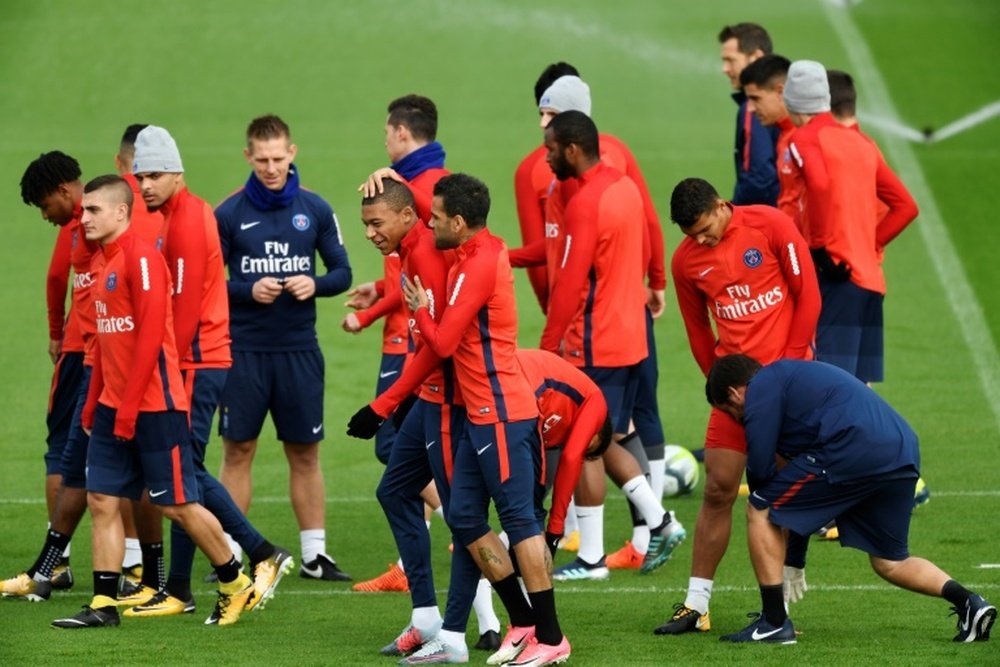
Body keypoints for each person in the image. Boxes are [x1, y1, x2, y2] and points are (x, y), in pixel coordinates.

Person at [350, 174, 570, 666]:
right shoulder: (451, 248)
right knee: (463, 516)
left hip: (486, 409)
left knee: (514, 521)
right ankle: (515, 623)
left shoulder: (460, 257)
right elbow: (437, 215)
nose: (368, 233)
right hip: (471, 408)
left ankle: (489, 633)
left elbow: (442, 344)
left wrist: (388, 399)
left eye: (374, 222)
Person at [50, 175, 254, 629]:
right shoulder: (104, 265)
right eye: (82, 211)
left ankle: (234, 581)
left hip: (155, 407)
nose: (83, 219)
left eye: (93, 211)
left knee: (176, 504)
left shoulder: (142, 260)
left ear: (121, 213)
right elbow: (103, 344)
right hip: (110, 406)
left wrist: (126, 408)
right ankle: (103, 605)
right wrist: (94, 406)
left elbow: (147, 341)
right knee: (103, 498)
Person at [704, 354, 996, 644]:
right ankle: (970, 603)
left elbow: (761, 473)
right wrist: (794, 557)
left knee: (759, 507)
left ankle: (773, 622)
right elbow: (797, 497)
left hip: (853, 447)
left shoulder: (761, 386)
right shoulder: (793, 384)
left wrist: (786, 550)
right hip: (901, 450)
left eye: (730, 411)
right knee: (890, 562)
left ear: (734, 391)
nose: (737, 419)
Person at [125, 125, 294, 617]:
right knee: (183, 475)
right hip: (195, 360)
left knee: (186, 473)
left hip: (195, 361)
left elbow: (183, 310)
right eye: (140, 178)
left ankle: (262, 553)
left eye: (155, 175)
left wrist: (166, 372)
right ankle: (179, 587)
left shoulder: (187, 222)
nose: (146, 186)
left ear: (177, 173)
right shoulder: (182, 214)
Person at [511, 74, 673, 573]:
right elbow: (563, 250)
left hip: (594, 337)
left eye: (552, 146)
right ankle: (656, 521)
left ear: (574, 149)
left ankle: (595, 554)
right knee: (611, 435)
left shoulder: (584, 202)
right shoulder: (616, 184)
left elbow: (570, 279)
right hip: (627, 332)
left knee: (583, 445)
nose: (545, 155)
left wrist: (545, 345)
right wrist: (502, 254)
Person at [655, 177, 820, 635]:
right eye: (692, 235)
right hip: (735, 397)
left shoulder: (770, 226)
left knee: (780, 492)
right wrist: (720, 387)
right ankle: (696, 605)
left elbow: (808, 294)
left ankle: (779, 608)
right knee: (717, 490)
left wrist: (789, 369)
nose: (701, 240)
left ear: (721, 205)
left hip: (787, 389)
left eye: (706, 229)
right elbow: (697, 331)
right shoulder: (686, 262)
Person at [215, 115, 353, 582]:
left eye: (279, 158)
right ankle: (230, 555)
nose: (271, 168)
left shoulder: (315, 209)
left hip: (299, 352)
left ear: (292, 152)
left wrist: (312, 284)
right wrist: (247, 290)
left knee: (305, 452)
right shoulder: (228, 214)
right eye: (262, 159)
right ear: (248, 156)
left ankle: (315, 556)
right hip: (245, 352)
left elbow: (342, 273)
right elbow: (208, 282)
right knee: (239, 451)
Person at [784, 61, 918, 383]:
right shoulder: (863, 144)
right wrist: (868, 245)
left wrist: (818, 250)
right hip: (870, 282)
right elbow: (906, 206)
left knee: (832, 390)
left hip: (839, 280)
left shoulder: (803, 139)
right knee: (859, 392)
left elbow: (818, 184)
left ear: (792, 102)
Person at [1, 152, 91, 600]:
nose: (44, 216)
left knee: (61, 451)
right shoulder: (124, 210)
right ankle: (136, 565)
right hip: (119, 347)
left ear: (63, 192)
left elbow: (58, 275)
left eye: (44, 206)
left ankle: (57, 566)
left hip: (81, 350)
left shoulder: (81, 220)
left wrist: (56, 332)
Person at [514, 61, 580, 312]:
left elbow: (546, 246)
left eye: (549, 113)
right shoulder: (617, 153)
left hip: (576, 317)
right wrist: (654, 281)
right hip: (630, 308)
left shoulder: (530, 170)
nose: (544, 123)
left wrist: (549, 306)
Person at [718, 22, 780, 206]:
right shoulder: (783, 98)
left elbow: (758, 178)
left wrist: (734, 215)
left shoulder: (754, 106)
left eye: (731, 60)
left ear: (756, 58)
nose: (725, 69)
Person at [739, 55, 802, 228]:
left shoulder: (805, 138)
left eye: (756, 98)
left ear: (780, 92)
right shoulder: (784, 135)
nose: (750, 109)